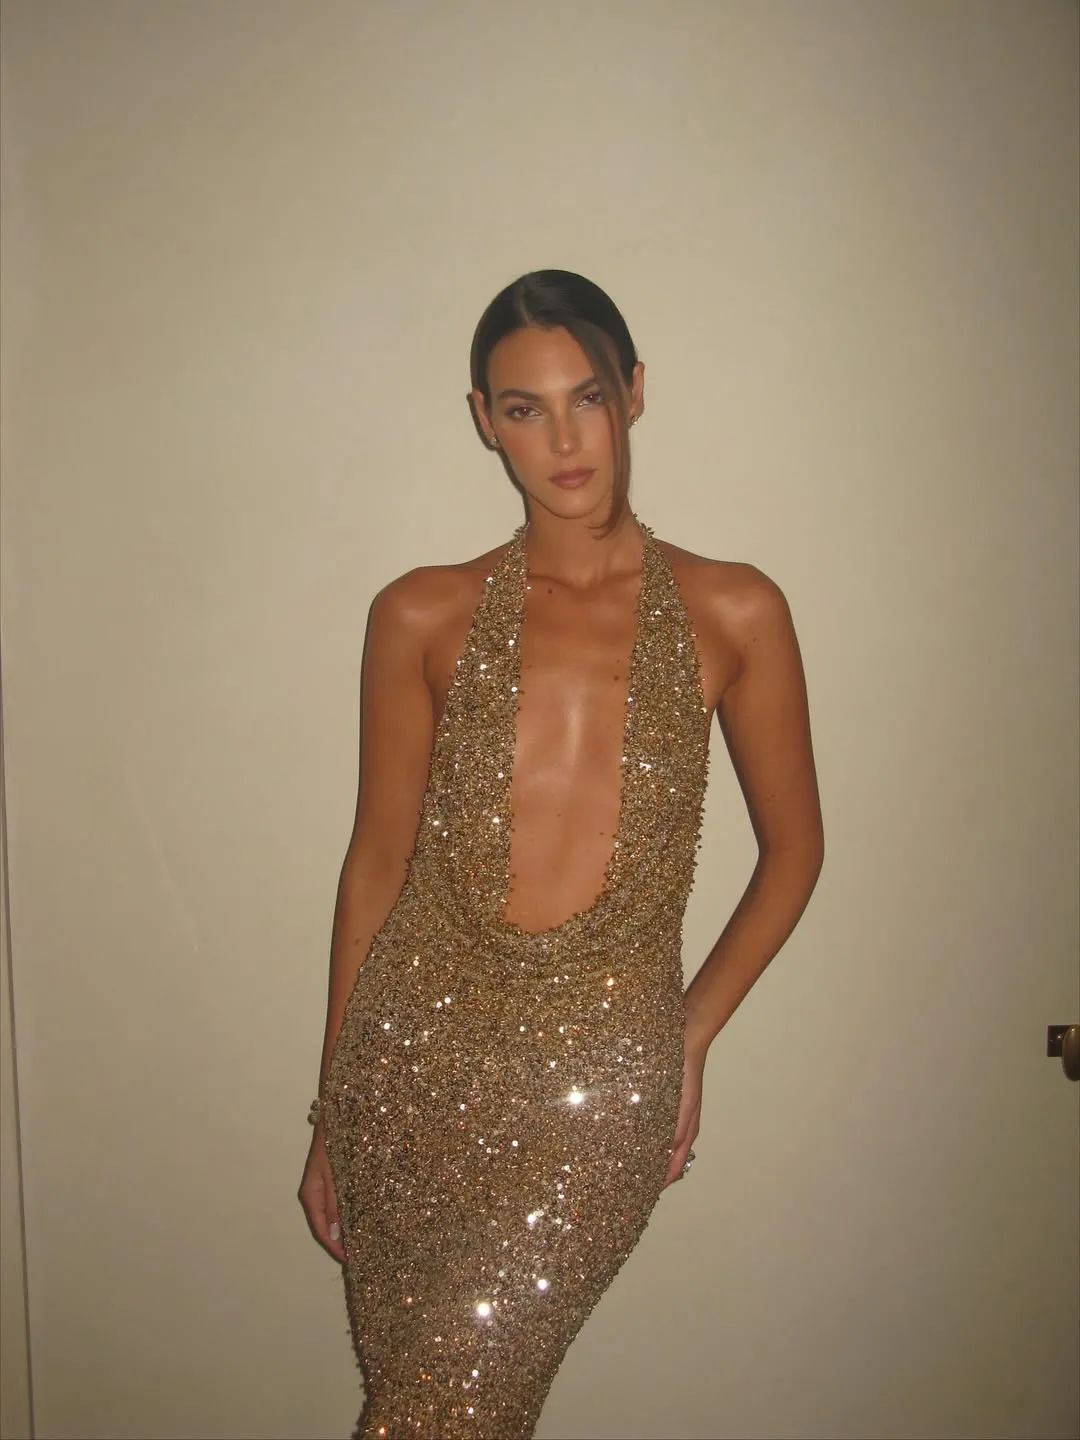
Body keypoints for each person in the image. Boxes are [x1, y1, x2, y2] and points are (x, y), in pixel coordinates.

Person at [298, 269, 824, 1440]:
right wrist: (334, 1108)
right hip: (408, 1068)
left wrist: (688, 1033)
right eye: (525, 409)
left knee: (446, 1407)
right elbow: (376, 863)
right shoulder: (419, 612)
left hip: (601, 1080)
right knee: (441, 1408)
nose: (565, 440)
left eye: (586, 397)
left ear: (633, 392)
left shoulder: (736, 609)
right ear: (485, 422)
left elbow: (795, 852)